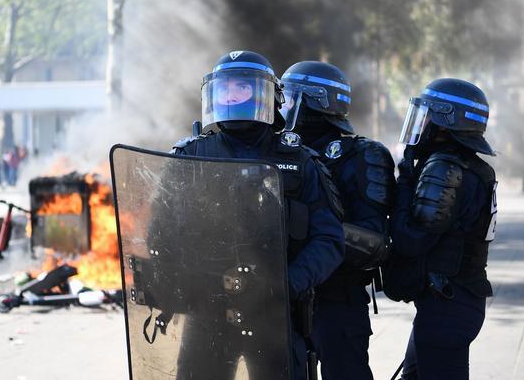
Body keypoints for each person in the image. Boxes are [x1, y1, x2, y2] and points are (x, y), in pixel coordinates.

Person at [171, 51, 345, 379]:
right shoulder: (190, 156)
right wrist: (176, 284)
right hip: (208, 311)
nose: (232, 96)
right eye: (225, 89)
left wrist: (285, 286)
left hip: (274, 313)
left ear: (269, 96)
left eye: (243, 88)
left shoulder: (301, 162)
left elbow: (329, 240)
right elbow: (162, 231)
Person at [280, 61, 395, 380]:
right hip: (286, 294)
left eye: (288, 96)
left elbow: (374, 240)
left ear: (313, 100)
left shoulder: (361, 155)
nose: (282, 105)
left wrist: (314, 238)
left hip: (336, 298)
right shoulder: (280, 151)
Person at [384, 78, 498, 379]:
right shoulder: (470, 166)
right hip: (452, 304)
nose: (421, 125)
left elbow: (410, 239)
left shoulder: (445, 168)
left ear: (446, 123)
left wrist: (405, 179)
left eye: (428, 116)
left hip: (447, 308)